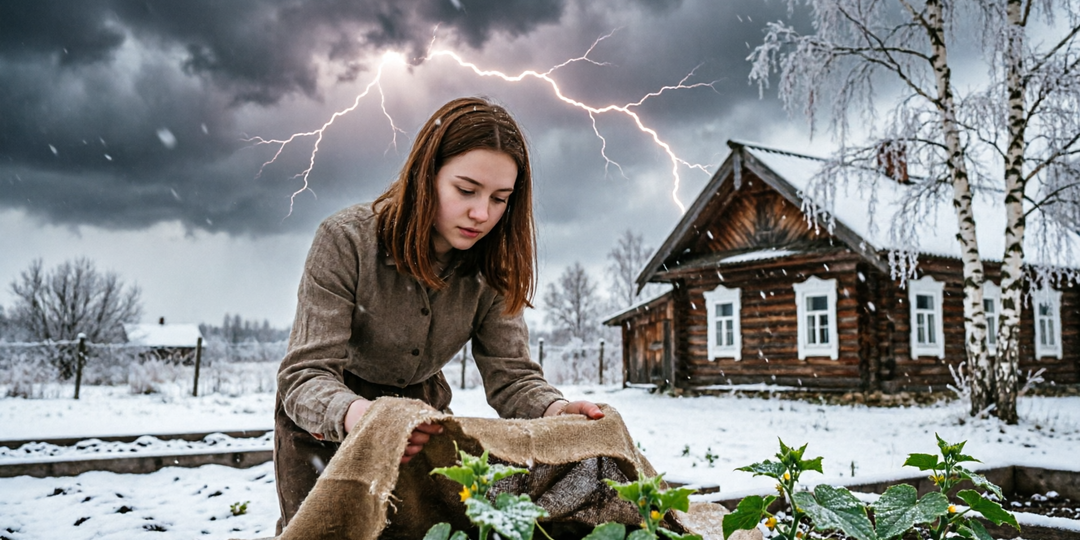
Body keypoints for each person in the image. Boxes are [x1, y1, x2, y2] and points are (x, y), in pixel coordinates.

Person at [273, 96, 604, 532]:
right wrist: (364, 418)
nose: (481, 214)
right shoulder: (345, 241)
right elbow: (305, 375)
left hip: (423, 424)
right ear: (425, 176)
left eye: (500, 198)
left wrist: (554, 410)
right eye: (466, 190)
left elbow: (513, 377)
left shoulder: (493, 267)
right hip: (327, 423)